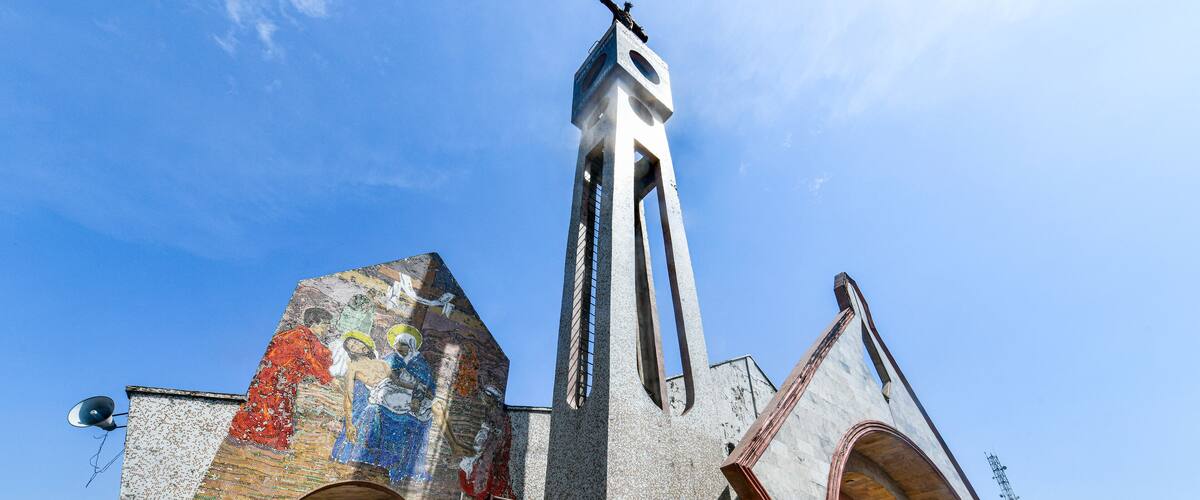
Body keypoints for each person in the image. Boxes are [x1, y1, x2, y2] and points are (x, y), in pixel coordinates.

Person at [332, 324, 437, 484]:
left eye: (403, 345)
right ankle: (366, 461)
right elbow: (379, 382)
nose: (399, 348)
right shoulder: (379, 361)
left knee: (418, 414)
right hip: (383, 397)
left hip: (403, 397)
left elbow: (407, 383)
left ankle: (397, 466)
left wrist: (418, 390)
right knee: (375, 408)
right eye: (397, 345)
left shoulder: (412, 364)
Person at [229, 307, 334, 450]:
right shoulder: (298, 336)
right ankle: (251, 441)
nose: (327, 329)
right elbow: (310, 360)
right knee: (265, 412)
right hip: (272, 381)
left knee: (278, 413)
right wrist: (329, 379)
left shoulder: (310, 339)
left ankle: (265, 444)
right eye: (326, 325)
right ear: (315, 322)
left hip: (284, 383)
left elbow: (321, 357)